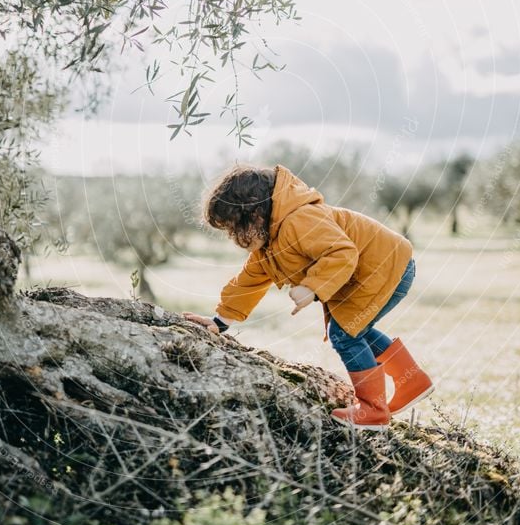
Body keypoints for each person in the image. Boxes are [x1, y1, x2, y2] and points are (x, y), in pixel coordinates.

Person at [184, 163, 433, 431]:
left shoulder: (298, 220)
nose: (234, 239)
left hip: (386, 265)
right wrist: (219, 322)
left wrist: (312, 286)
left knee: (344, 335)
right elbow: (247, 283)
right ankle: (411, 381)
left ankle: (373, 410)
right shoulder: (268, 245)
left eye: (235, 229)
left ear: (255, 213)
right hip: (374, 271)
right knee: (354, 328)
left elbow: (341, 253)